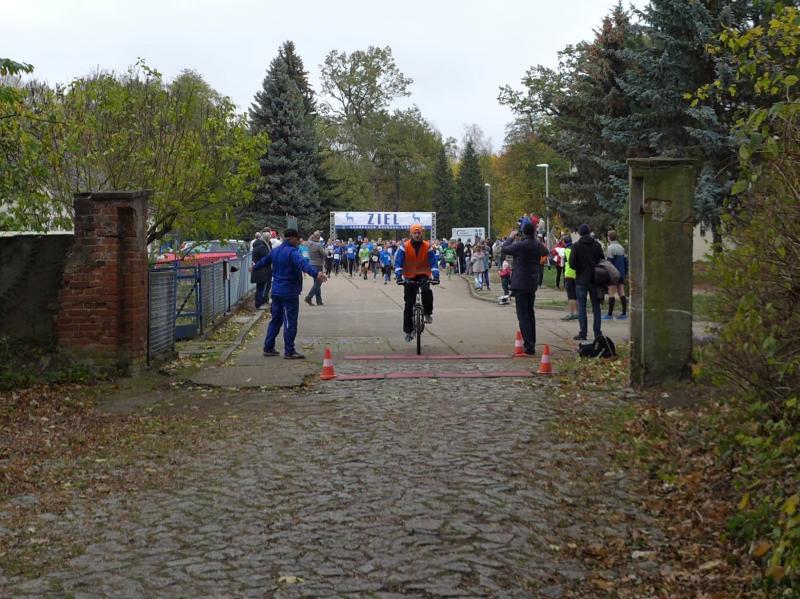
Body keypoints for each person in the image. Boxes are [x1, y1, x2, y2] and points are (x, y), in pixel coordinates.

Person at [250, 229, 328, 359]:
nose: (298, 242)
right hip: (289, 292)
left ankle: (268, 347)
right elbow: (303, 264)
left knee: (275, 321)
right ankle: (289, 351)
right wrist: (316, 274)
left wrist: (254, 267)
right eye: (297, 239)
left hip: (276, 291)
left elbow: (264, 261)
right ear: (292, 238)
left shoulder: (275, 251)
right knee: (290, 322)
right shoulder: (292, 252)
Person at [502, 222, 549, 355]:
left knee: (522, 315)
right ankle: (532, 341)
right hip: (532, 282)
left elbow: (505, 248)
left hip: (520, 283)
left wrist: (511, 237)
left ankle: (529, 345)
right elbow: (545, 251)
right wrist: (537, 239)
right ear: (534, 232)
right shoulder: (537, 245)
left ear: (523, 232)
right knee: (530, 313)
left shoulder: (521, 245)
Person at [394, 223, 440, 342]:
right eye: (415, 233)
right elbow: (398, 262)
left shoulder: (427, 246)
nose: (417, 235)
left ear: (421, 234)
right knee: (408, 304)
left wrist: (436, 276)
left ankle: (427, 313)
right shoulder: (405, 246)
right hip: (409, 275)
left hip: (423, 273)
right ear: (411, 234)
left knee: (426, 291)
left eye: (419, 232)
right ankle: (408, 331)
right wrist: (399, 277)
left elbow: (433, 262)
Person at [568, 223, 604, 341]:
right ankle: (597, 333)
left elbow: (572, 264)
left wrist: (580, 267)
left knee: (582, 307)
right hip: (595, 279)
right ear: (589, 232)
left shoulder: (576, 246)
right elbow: (602, 260)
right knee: (596, 307)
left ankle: (583, 333)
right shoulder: (597, 245)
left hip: (581, 280)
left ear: (579, 233)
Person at [604, 230, 628, 320]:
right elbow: (626, 261)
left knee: (611, 292)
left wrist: (607, 274)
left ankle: (609, 314)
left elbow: (609, 263)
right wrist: (625, 273)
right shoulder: (621, 247)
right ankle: (624, 313)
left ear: (609, 237)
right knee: (621, 292)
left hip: (613, 274)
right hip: (621, 273)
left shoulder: (610, 248)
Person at [304, 231, 327, 306]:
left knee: (316, 282)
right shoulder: (319, 245)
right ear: (319, 238)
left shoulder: (309, 243)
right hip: (318, 265)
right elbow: (324, 254)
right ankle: (309, 297)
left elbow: (309, 239)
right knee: (318, 283)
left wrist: (314, 233)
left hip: (311, 265)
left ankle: (319, 300)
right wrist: (328, 252)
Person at [251, 230, 271, 309]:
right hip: (261, 270)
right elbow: (268, 257)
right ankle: (258, 304)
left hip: (259, 269)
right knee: (261, 288)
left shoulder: (258, 245)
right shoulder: (262, 247)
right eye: (269, 238)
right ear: (266, 238)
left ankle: (258, 303)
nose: (270, 239)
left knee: (259, 287)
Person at [560, 235, 578, 321]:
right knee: (577, 294)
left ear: (564, 242)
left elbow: (564, 262)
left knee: (571, 295)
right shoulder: (575, 248)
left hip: (569, 274)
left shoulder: (566, 250)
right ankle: (578, 313)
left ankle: (571, 313)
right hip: (577, 274)